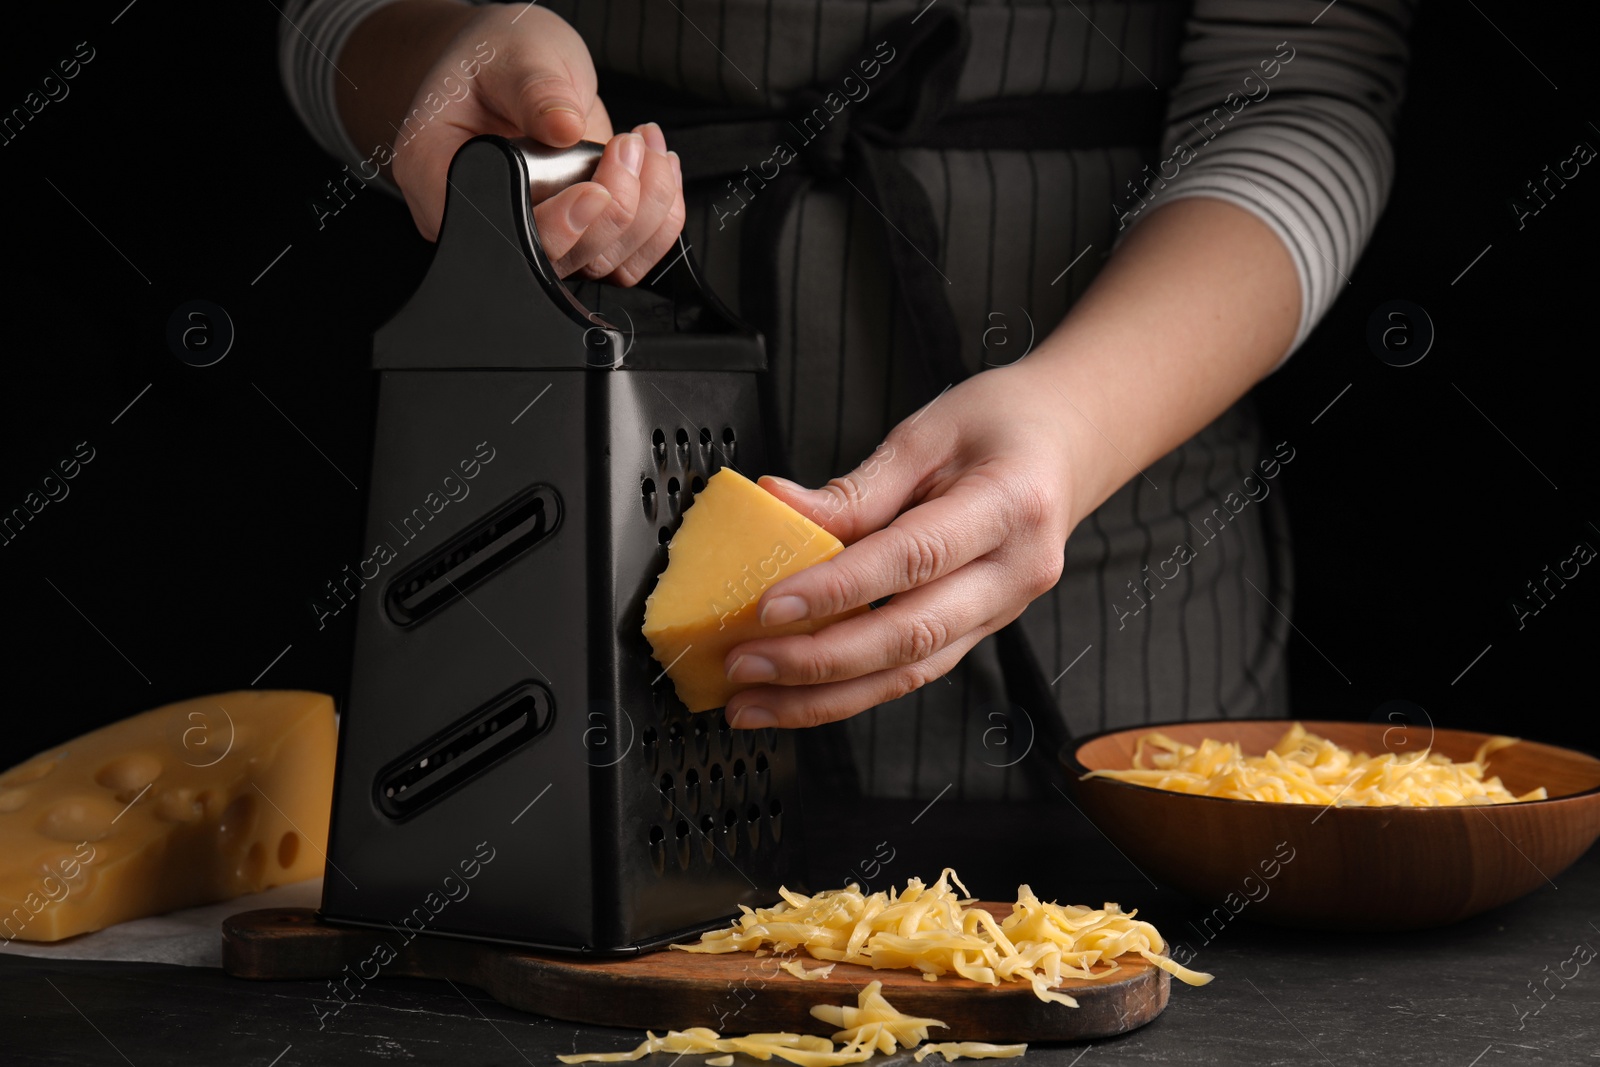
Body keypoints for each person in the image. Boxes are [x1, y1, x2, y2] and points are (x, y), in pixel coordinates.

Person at [279, 0, 1413, 800]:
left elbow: (1300, 91)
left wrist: (1074, 427)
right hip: (561, 574)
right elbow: (336, 12)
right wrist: (444, 50)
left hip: (1126, 603)